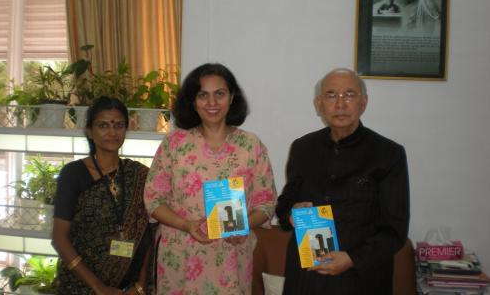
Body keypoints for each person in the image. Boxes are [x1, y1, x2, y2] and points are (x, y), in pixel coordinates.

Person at [144, 63, 277, 294]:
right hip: (181, 257)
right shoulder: (174, 144)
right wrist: (186, 224)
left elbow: (266, 202)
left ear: (232, 97)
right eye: (203, 95)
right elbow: (153, 199)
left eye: (220, 94)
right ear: (192, 101)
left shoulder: (251, 146)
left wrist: (243, 225)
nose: (212, 103)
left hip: (232, 258)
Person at [276, 68, 410, 294]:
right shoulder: (302, 148)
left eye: (349, 95)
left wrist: (352, 259)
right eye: (331, 95)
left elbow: (395, 230)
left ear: (363, 102)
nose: (340, 104)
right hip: (306, 278)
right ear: (319, 104)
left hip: (361, 279)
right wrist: (290, 212)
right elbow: (285, 201)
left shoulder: (388, 154)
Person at [52, 96, 155, 295]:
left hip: (129, 289)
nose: (112, 132)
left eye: (118, 125)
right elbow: (59, 238)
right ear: (89, 131)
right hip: (80, 286)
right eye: (103, 125)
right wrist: (98, 287)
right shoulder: (73, 174)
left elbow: (152, 233)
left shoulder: (140, 175)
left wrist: (141, 285)